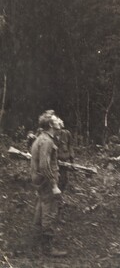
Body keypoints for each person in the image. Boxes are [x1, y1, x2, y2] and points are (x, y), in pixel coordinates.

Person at [30, 110, 67, 257]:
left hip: (40, 180)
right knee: (49, 212)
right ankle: (47, 248)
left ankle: (35, 242)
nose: (59, 121)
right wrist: (54, 186)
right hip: (46, 182)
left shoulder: (41, 138)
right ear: (51, 124)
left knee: (41, 208)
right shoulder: (47, 141)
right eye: (56, 119)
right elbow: (44, 166)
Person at [55, 118, 74, 192]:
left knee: (64, 178)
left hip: (64, 159)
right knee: (55, 177)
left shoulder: (66, 133)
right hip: (54, 160)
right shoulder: (51, 135)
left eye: (58, 127)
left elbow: (70, 146)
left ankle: (62, 191)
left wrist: (72, 159)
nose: (57, 129)